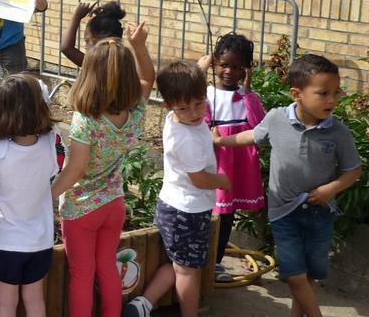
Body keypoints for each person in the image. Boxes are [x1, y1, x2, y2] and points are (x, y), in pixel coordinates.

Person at [212, 55, 362, 317]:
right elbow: (253, 135)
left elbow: (353, 170)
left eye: (335, 93)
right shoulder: (277, 118)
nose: (332, 100)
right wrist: (223, 141)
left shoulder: (338, 132)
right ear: (297, 94)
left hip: (321, 214)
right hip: (284, 213)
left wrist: (332, 189)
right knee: (294, 275)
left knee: (309, 275)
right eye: (323, 93)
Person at [51, 22, 155, 317]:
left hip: (81, 209)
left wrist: (46, 195)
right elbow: (148, 77)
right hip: (114, 203)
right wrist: (139, 46)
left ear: (90, 75)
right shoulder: (136, 110)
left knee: (82, 277)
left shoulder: (87, 119)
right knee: (108, 269)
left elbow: (75, 169)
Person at [124, 61, 231, 317]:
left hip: (173, 206)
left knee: (178, 264)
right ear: (169, 106)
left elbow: (188, 86)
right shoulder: (187, 139)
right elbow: (200, 179)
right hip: (188, 211)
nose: (194, 113)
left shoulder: (177, 118)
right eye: (185, 107)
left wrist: (201, 66)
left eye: (199, 104)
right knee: (188, 271)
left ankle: (143, 304)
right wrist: (222, 181)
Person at [0, 74, 57, 317]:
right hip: (40, 243)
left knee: (5, 306)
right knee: (35, 303)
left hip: (4, 242)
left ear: (1, 111)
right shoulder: (50, 140)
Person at [197, 33, 265, 282]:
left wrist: (248, 92)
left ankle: (214, 264)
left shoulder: (247, 98)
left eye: (237, 67)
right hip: (214, 165)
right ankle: (199, 260)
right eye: (224, 64)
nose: (229, 71)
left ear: (245, 70)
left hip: (236, 167)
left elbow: (260, 127)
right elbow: (198, 127)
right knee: (208, 214)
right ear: (215, 63)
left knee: (227, 216)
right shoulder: (205, 95)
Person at [59, 1, 126, 67]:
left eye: (87, 41)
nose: (85, 46)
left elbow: (66, 48)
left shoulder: (97, 63)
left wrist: (76, 16)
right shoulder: (126, 60)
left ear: (102, 38)